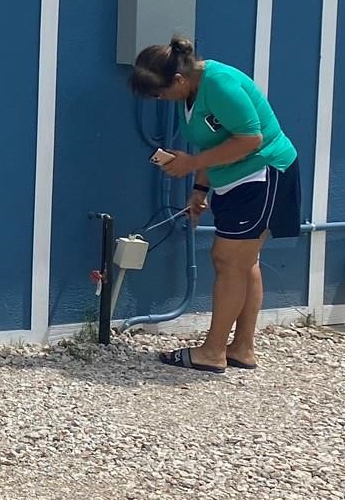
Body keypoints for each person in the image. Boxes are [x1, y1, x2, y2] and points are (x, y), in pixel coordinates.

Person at [128, 36, 300, 373]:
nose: (159, 100)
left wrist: (191, 164)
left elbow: (251, 139)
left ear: (178, 79)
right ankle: (242, 348)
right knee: (243, 262)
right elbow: (214, 140)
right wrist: (200, 190)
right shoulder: (188, 90)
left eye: (159, 93)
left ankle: (213, 351)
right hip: (234, 180)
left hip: (263, 174)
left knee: (228, 260)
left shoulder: (219, 85)